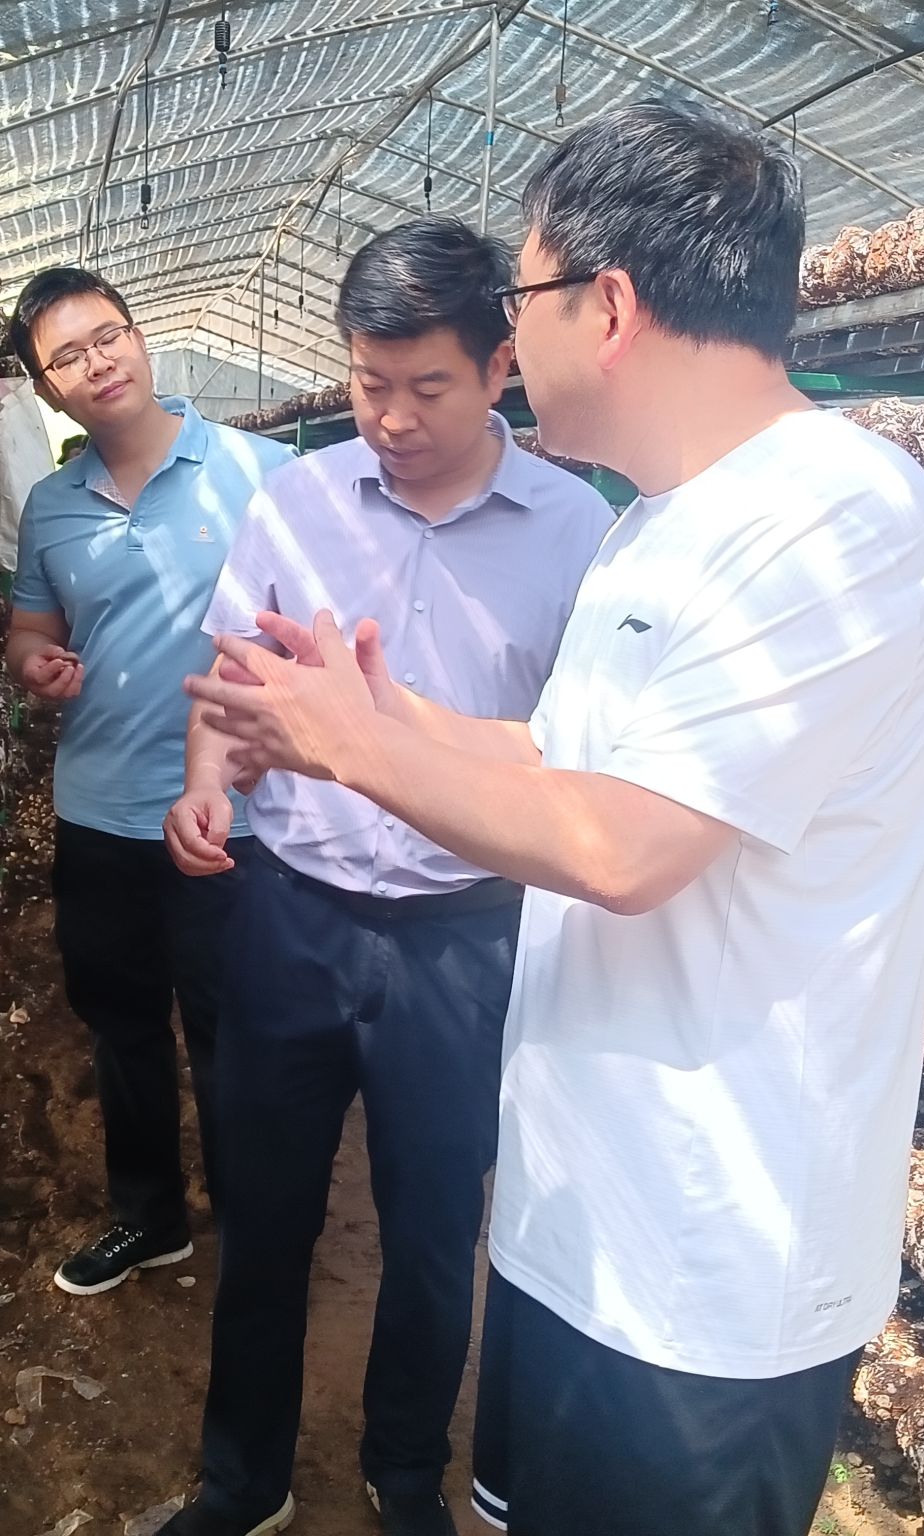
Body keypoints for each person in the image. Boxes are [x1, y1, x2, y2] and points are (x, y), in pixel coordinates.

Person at [186, 104, 924, 1536]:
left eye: (523, 293)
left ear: (602, 307)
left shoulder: (830, 518)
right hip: (590, 1221)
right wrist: (382, 712)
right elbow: (559, 758)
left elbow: (623, 845)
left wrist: (353, 749)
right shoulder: (657, 523)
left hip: (708, 1261)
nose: (513, 330)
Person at [160, 218, 615, 1536]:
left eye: (427, 387)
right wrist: (207, 784)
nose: (393, 418)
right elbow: (234, 680)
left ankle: (405, 1470)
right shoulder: (297, 502)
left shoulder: (577, 532)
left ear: (499, 368)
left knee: (430, 1222)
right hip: (293, 913)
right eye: (369, 383)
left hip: (464, 935)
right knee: (264, 1212)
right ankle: (241, 1479)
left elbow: (581, 753)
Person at [5, 266, 295, 1297]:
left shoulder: (258, 471)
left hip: (235, 819)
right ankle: (149, 1217)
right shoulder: (51, 507)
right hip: (98, 811)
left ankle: (254, 1223)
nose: (97, 363)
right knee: (120, 1023)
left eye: (107, 336)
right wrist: (36, 665)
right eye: (66, 358)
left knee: (233, 1028)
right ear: (47, 391)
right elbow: (30, 628)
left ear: (139, 338)